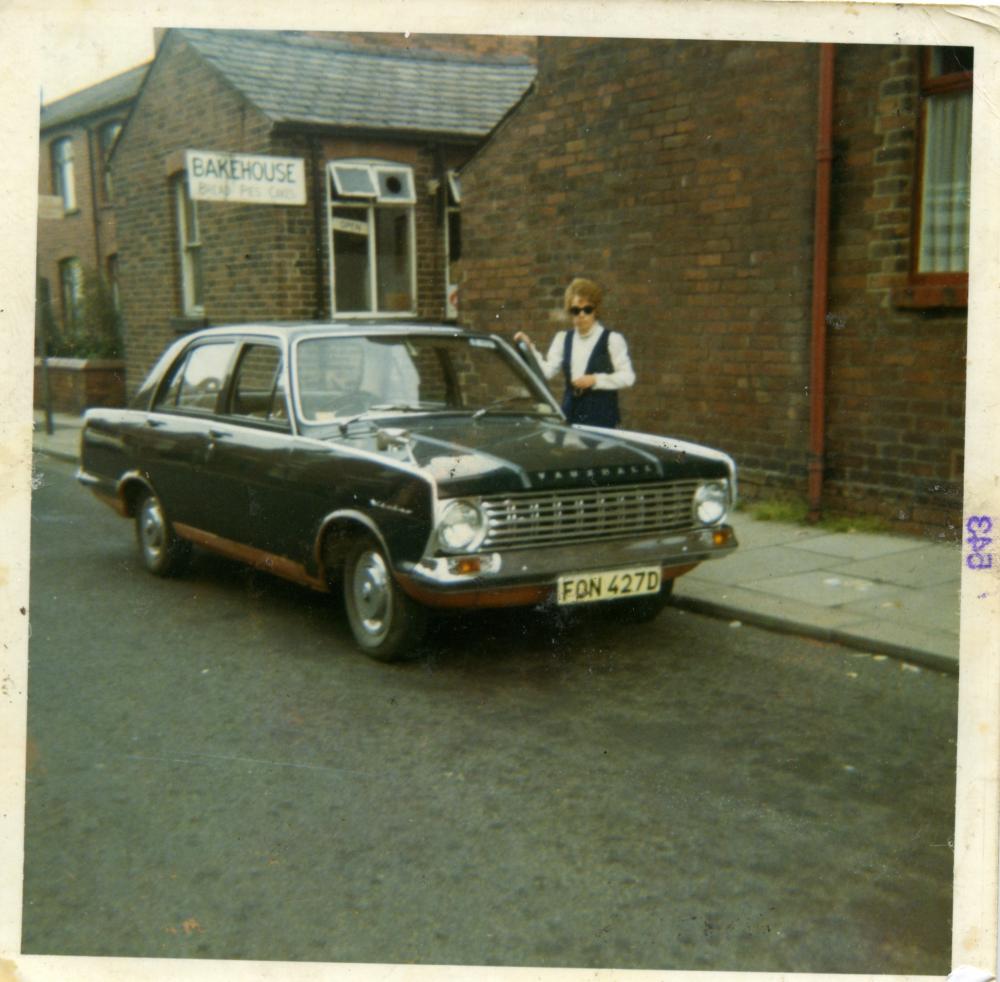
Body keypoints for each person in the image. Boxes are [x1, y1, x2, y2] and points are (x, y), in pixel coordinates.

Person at [514, 277, 635, 427]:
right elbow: (546, 372)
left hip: (602, 420)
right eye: (576, 310)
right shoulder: (562, 339)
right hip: (570, 417)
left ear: (595, 310)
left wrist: (595, 380)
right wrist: (530, 348)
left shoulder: (612, 340)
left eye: (587, 309)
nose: (581, 314)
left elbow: (628, 377)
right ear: (570, 311)